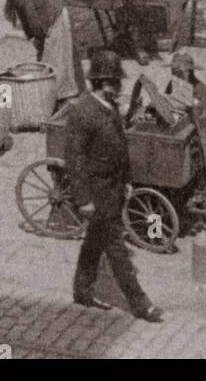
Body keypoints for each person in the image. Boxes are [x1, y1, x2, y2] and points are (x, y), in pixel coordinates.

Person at [63, 48, 164, 322]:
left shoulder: (109, 108)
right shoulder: (83, 113)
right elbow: (74, 160)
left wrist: (128, 181)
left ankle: (82, 291)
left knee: (93, 243)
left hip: (113, 188)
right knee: (117, 251)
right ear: (102, 82)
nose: (119, 87)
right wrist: (83, 199)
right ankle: (141, 304)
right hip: (97, 193)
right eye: (114, 82)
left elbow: (121, 147)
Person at [0, 0, 85, 102]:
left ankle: (63, 94)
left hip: (57, 19)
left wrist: (39, 41)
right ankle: (60, 92)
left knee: (58, 59)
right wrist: (34, 39)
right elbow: (27, 25)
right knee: (53, 59)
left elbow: (35, 24)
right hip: (51, 20)